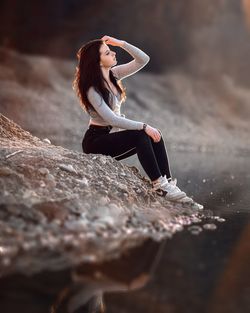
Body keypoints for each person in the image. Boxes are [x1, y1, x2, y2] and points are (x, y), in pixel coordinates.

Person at [73, 35, 201, 205]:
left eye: (111, 51)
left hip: (110, 136)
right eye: (107, 53)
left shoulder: (113, 75)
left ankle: (168, 183)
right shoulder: (92, 89)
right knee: (141, 135)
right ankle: (159, 185)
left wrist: (120, 43)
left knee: (156, 135)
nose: (113, 54)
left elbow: (143, 60)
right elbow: (112, 119)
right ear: (97, 61)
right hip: (95, 142)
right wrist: (144, 126)